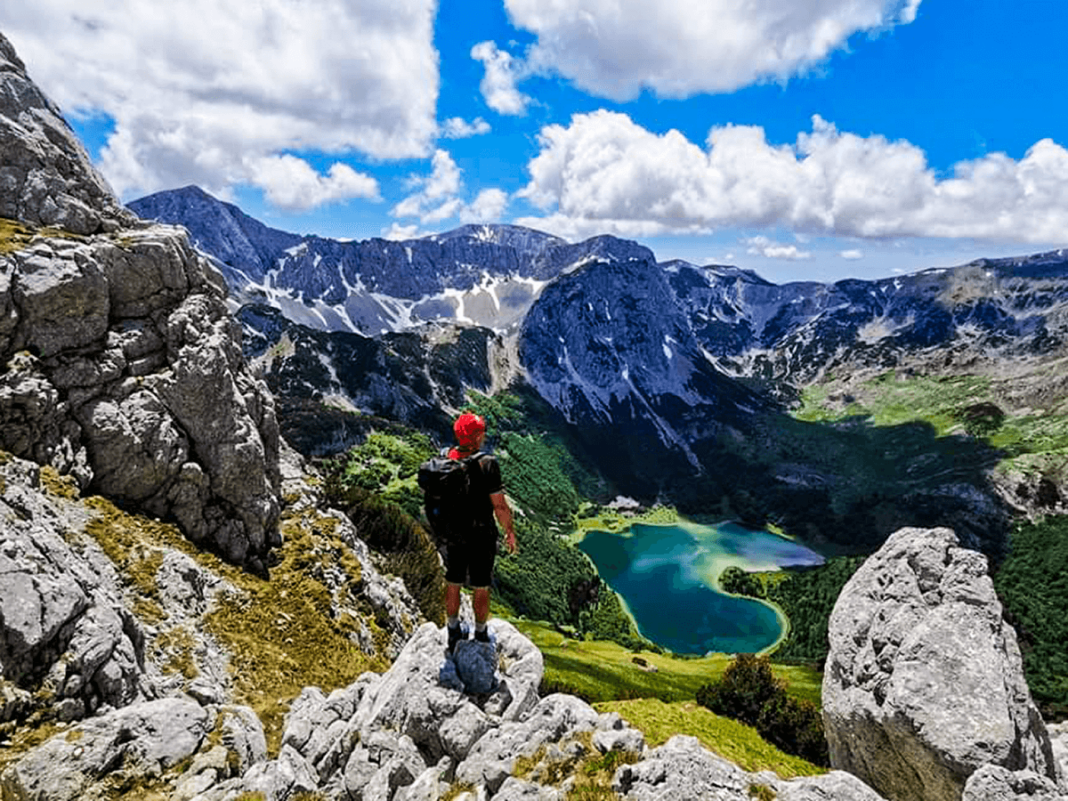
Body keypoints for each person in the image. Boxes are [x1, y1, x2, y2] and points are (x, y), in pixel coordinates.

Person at [443, 411, 516, 652]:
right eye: (481, 432)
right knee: (481, 585)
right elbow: (500, 506)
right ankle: (481, 632)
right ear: (475, 437)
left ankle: (453, 629)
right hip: (481, 534)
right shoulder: (488, 464)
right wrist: (509, 531)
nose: (484, 436)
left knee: (453, 581)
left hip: (453, 532)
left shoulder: (447, 458)